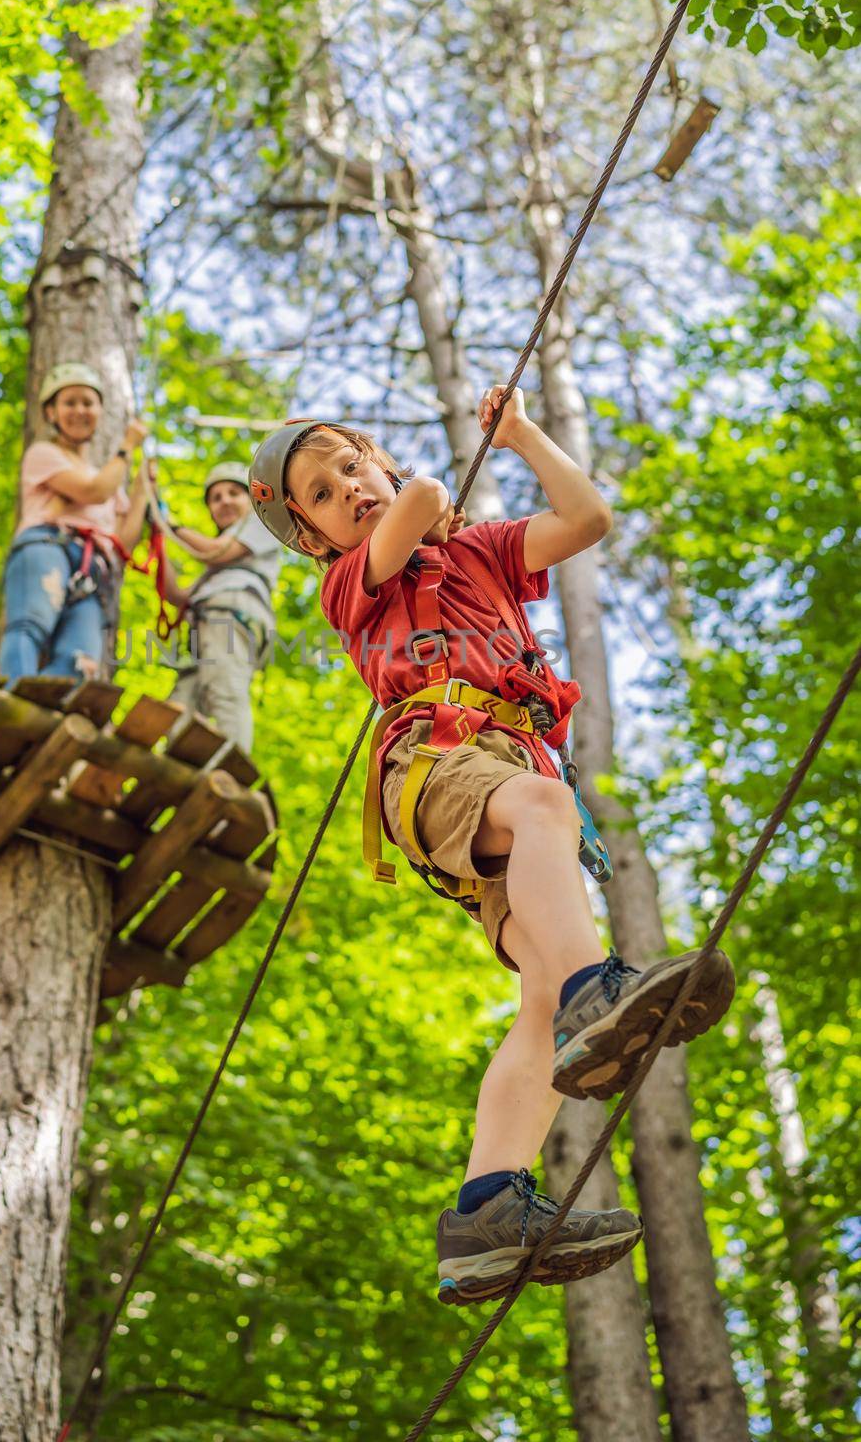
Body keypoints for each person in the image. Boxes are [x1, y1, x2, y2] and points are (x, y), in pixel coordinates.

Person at [247, 390, 735, 1305]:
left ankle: (487, 1210)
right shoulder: (351, 580)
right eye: (321, 490)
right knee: (546, 810)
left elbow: (586, 517)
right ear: (312, 537)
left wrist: (518, 436)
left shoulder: (477, 554)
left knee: (540, 995)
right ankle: (603, 993)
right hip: (436, 761)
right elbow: (423, 494)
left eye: (350, 464)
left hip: (503, 767)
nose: (347, 487)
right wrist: (405, 487)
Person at [0, 363, 151, 681]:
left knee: (81, 662)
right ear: (51, 413)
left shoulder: (106, 475)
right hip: (48, 545)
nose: (80, 410)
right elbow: (94, 492)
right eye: (70, 402)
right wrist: (127, 447)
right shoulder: (43, 453)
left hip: (93, 570)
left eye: (87, 402)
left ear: (99, 411)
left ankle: (43, 707)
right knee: (29, 625)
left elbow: (124, 542)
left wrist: (141, 493)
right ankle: (15, 694)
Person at [149, 460, 280, 755]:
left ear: (251, 499)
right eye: (216, 498)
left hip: (234, 613)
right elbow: (176, 595)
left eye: (234, 493)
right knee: (181, 703)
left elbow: (214, 551)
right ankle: (182, 769)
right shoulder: (215, 575)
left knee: (225, 690)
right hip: (206, 620)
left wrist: (170, 525)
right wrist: (160, 538)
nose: (225, 502)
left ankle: (234, 768)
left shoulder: (261, 524)